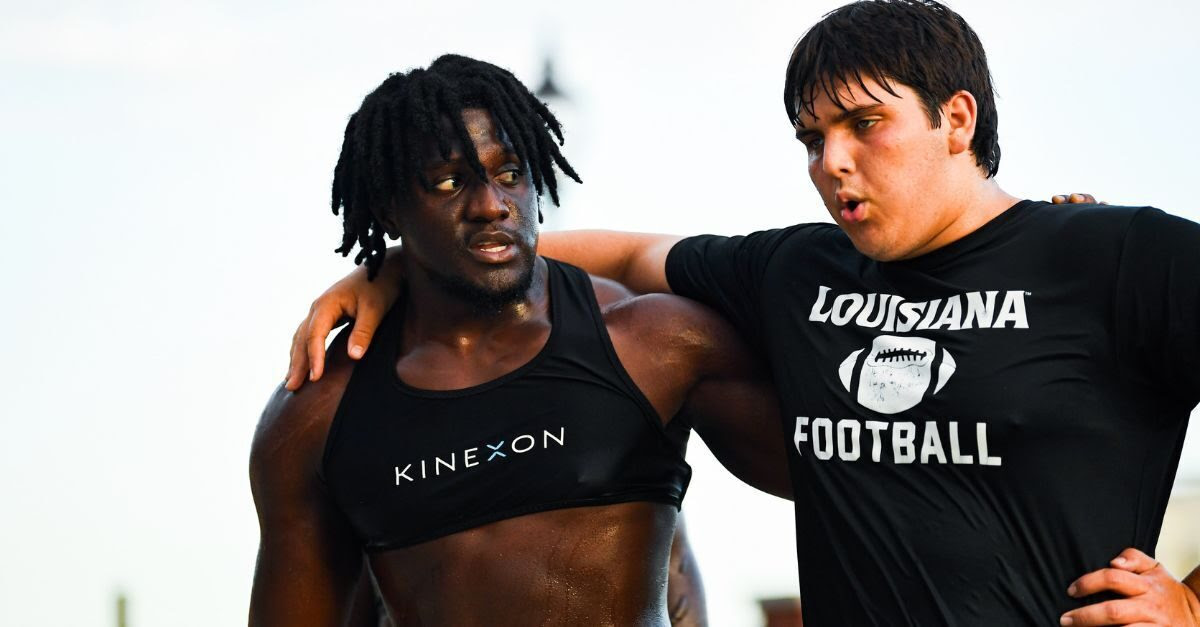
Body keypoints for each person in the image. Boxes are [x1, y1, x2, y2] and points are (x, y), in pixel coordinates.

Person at [287, 3, 1200, 625]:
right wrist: (406, 264)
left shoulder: (1117, 257)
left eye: (864, 125)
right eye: (812, 137)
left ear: (956, 120)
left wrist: (1193, 602)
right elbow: (623, 252)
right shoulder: (796, 270)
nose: (829, 162)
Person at [249, 54, 790, 627]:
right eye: (450, 182)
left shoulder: (656, 342)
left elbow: (856, 487)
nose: (490, 204)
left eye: (509, 174)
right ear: (388, 208)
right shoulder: (318, 415)